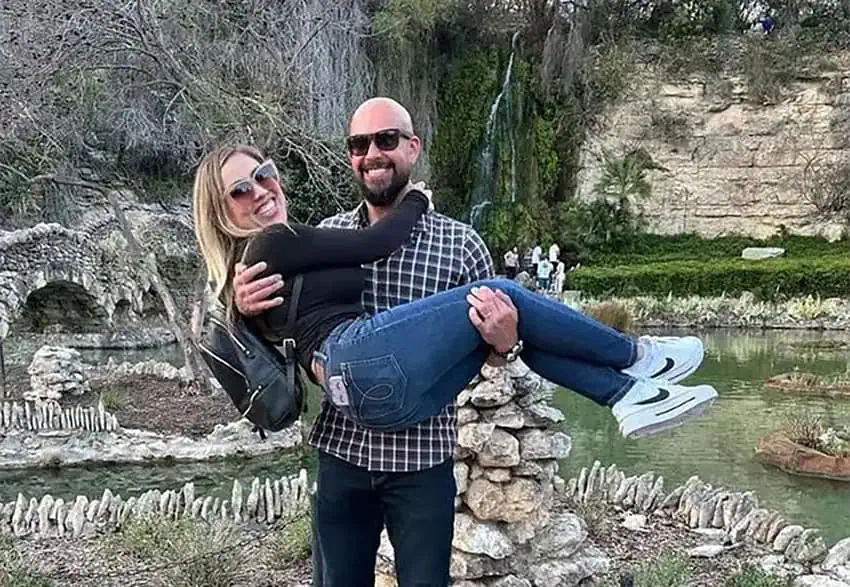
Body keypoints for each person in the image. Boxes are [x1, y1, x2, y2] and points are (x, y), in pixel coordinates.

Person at [210, 101, 716, 585]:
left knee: (504, 308)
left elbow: (498, 355)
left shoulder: (462, 244)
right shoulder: (322, 232)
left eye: (386, 139)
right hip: (346, 447)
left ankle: (629, 394)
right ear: (350, 157)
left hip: (421, 448)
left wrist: (505, 345)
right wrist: (241, 304)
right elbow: (296, 350)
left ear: (413, 147)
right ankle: (636, 364)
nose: (372, 153)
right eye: (359, 144)